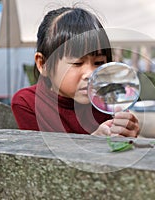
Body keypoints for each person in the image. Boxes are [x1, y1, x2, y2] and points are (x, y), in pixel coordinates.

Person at [11, 6, 140, 137]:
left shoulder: (107, 102)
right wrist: (93, 142)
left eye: (99, 62)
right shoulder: (27, 102)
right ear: (43, 64)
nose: (90, 73)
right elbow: (38, 154)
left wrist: (127, 134)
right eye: (77, 63)